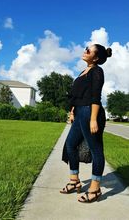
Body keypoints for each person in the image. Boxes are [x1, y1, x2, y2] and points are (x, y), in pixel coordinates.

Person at [60, 44, 112, 203]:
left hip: (91, 112)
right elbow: (76, 96)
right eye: (85, 48)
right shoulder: (83, 72)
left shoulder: (97, 71)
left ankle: (95, 189)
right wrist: (72, 111)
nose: (85, 51)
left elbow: (96, 96)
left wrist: (93, 119)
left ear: (95, 57)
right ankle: (74, 181)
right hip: (79, 113)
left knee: (96, 149)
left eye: (88, 50)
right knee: (70, 145)